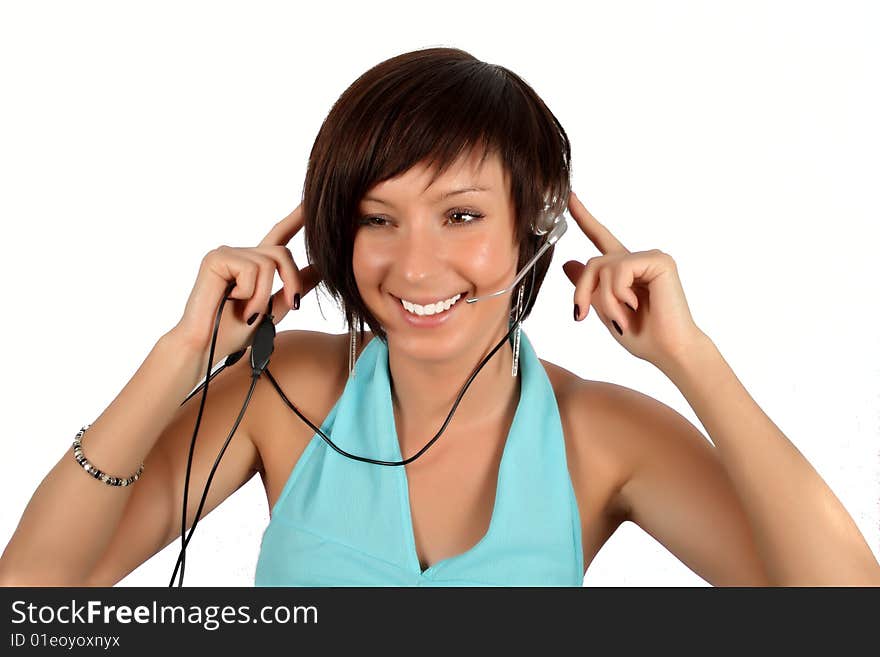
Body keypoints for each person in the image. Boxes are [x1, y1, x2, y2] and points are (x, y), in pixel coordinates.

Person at [1, 46, 878, 587]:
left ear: (533, 230)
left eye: (461, 215)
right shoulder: (287, 392)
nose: (414, 265)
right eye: (378, 219)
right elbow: (33, 595)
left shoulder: (601, 436)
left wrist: (692, 358)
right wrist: (183, 350)